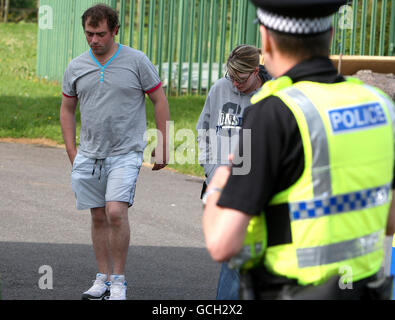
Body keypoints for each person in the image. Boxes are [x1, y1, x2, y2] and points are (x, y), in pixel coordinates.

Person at [202, 0, 395, 300]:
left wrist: (220, 180)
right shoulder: (381, 106)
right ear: (330, 35)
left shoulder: (272, 112)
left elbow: (222, 242)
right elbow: (389, 220)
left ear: (266, 40)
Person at [60, 4, 169, 300]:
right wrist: (72, 150)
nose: (94, 40)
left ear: (115, 31)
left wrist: (163, 143)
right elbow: (67, 108)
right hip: (89, 154)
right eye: (89, 34)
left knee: (116, 212)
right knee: (98, 216)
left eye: (100, 34)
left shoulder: (137, 61)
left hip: (125, 151)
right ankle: (102, 278)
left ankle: (119, 281)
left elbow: (159, 99)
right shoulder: (76, 66)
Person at [196, 45, 271, 299]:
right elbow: (203, 130)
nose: (235, 84)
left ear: (255, 71)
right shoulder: (220, 88)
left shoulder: (270, 98)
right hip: (221, 184)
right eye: (232, 77)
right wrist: (211, 170)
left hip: (254, 188)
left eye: (241, 79)